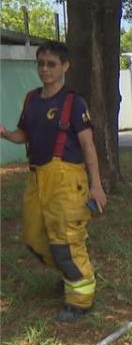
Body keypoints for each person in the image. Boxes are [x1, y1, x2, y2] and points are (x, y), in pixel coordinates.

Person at [0, 41, 107, 322]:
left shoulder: (74, 102)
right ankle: (69, 272)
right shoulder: (32, 99)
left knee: (65, 240)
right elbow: (25, 133)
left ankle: (80, 299)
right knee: (34, 237)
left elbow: (89, 146)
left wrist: (96, 185)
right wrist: (7, 135)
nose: (45, 69)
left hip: (67, 181)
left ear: (65, 66)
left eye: (51, 64)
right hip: (37, 178)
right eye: (41, 63)